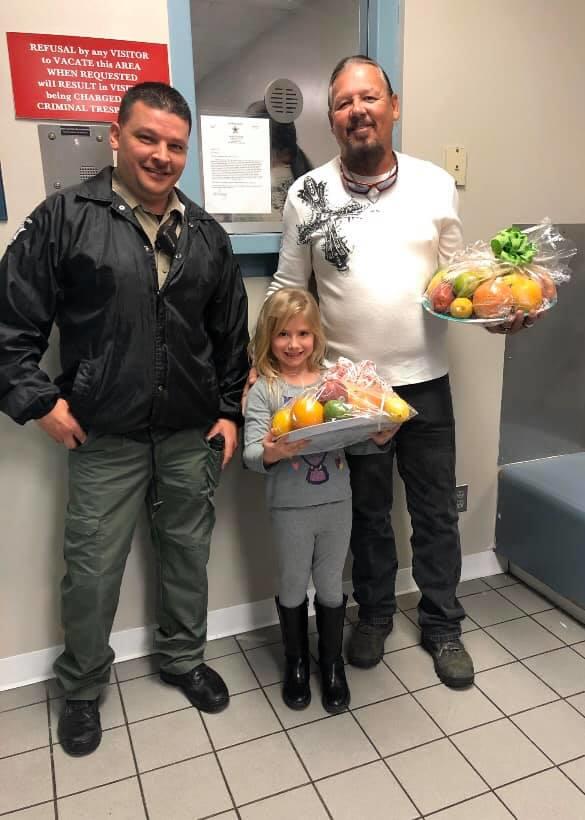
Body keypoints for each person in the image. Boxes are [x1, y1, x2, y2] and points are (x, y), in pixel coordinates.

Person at [0, 82, 249, 755]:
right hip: (103, 433)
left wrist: (229, 411)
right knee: (92, 568)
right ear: (116, 136)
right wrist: (39, 401)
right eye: (147, 138)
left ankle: (183, 659)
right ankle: (80, 689)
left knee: (187, 557)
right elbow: (9, 326)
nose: (161, 155)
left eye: (175, 145)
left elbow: (230, 336)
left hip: (187, 433)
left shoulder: (204, 233)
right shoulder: (64, 217)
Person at [265, 55, 483, 688]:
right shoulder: (307, 193)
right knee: (366, 514)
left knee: (436, 512)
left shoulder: (436, 184)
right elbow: (287, 288)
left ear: (393, 105)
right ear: (331, 119)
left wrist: (496, 313)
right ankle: (376, 616)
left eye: (368, 97)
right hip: (349, 393)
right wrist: (266, 369)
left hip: (426, 384)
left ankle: (443, 626)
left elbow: (455, 282)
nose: (356, 110)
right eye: (341, 102)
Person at [243, 288, 352, 713]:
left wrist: (379, 430)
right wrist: (273, 451)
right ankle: (296, 662)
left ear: (317, 336)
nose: (293, 344)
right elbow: (252, 454)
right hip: (288, 507)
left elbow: (354, 434)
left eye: (303, 333)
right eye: (283, 334)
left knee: (330, 585)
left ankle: (331, 664)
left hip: (337, 501)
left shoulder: (333, 384)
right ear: (268, 337)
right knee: (291, 585)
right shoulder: (265, 391)